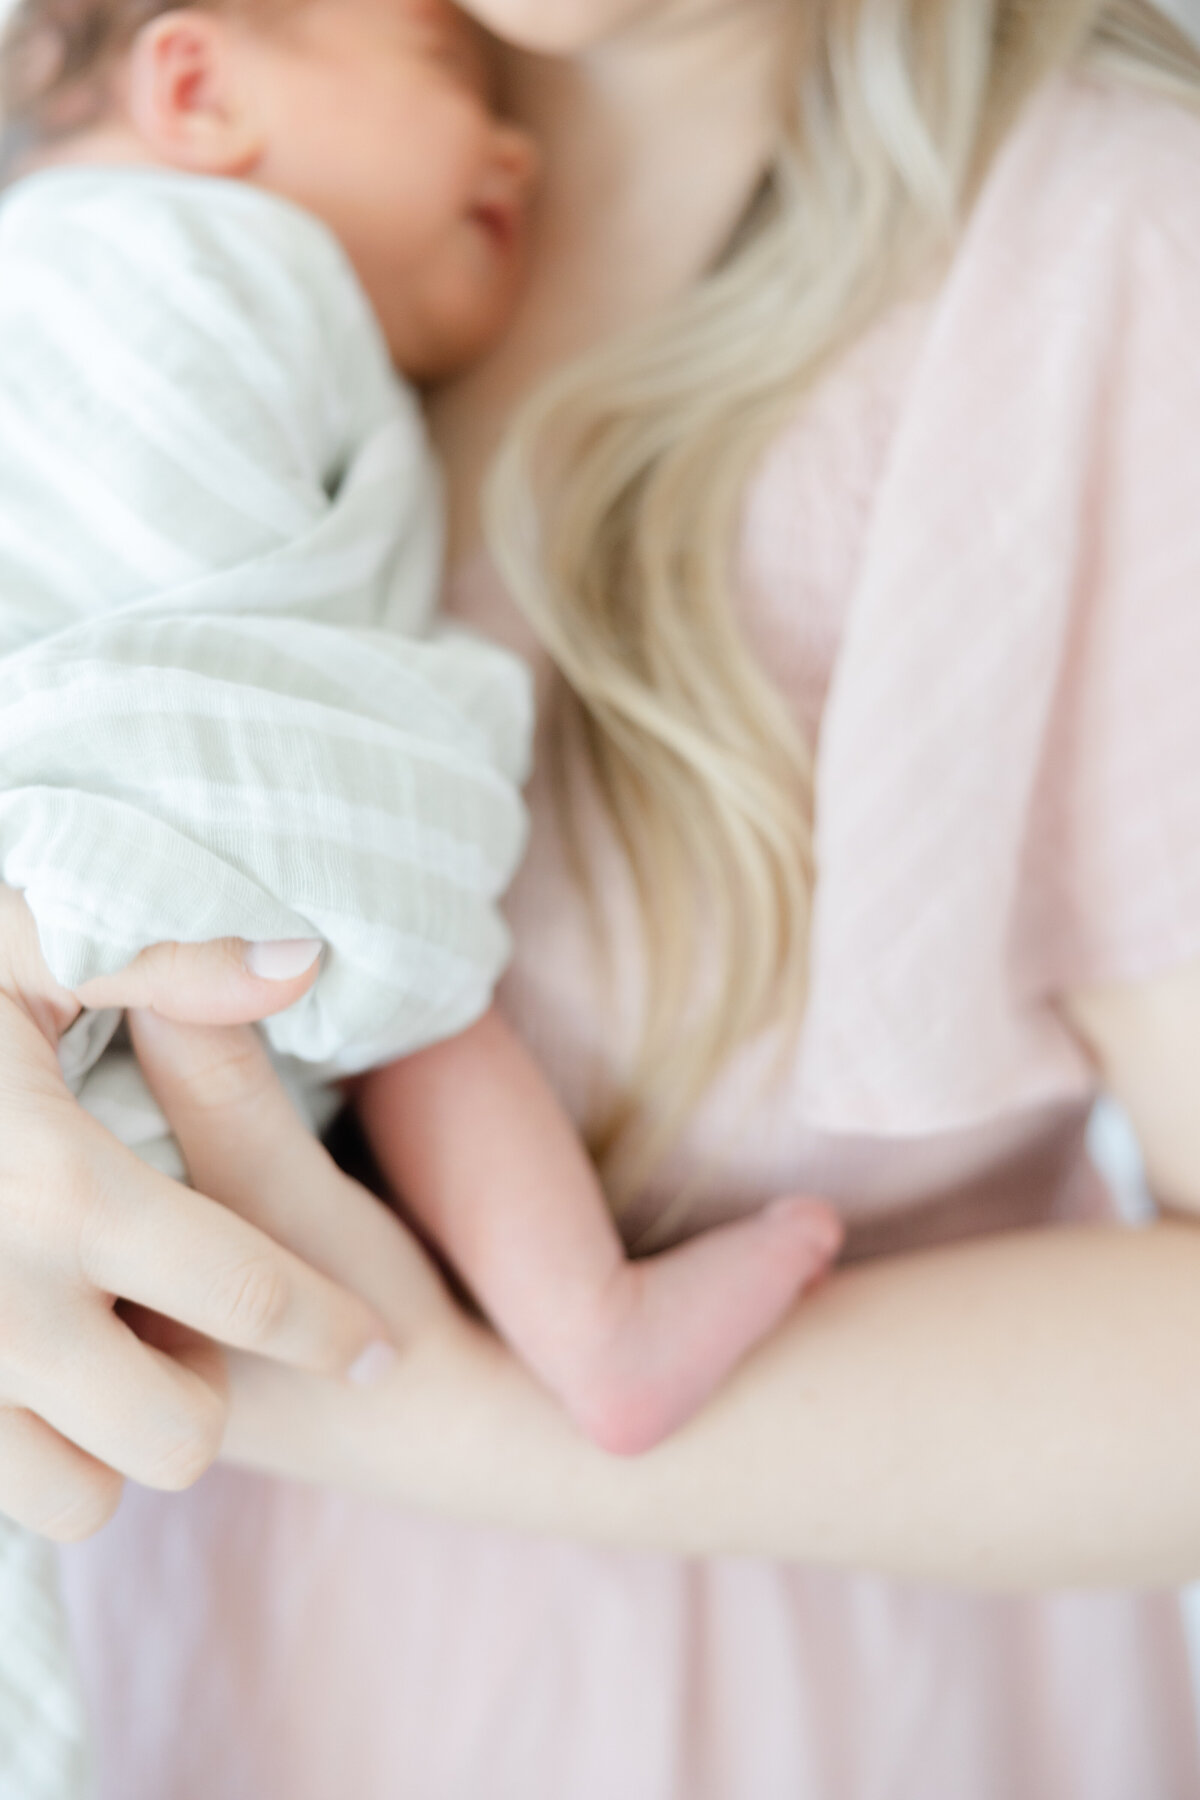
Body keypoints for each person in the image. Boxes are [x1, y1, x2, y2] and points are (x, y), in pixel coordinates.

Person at [3, 0, 1200, 1793]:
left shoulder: (1111, 256)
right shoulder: (187, 190)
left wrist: (386, 1394)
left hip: (753, 1720)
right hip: (189, 1668)